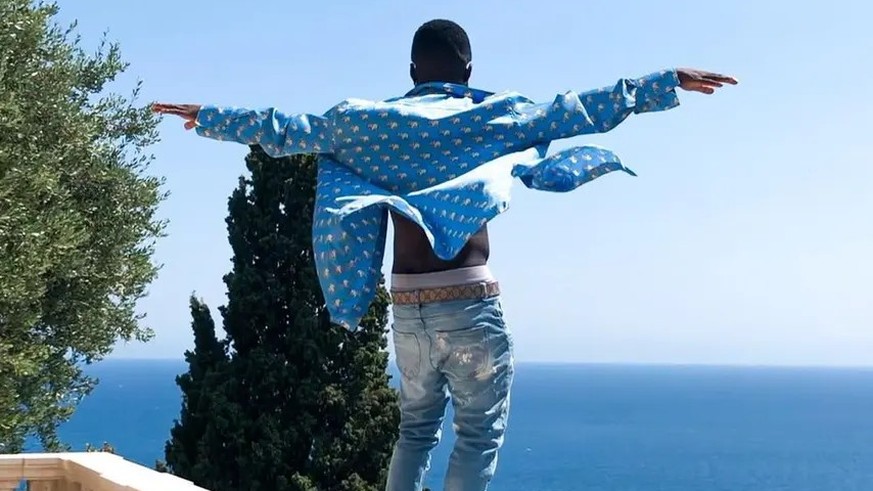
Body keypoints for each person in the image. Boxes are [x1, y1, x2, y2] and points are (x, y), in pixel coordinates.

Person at [153, 18, 736, 491]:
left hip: (407, 307)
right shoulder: (492, 114)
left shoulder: (365, 123)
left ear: (411, 72)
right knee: (478, 436)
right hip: (469, 300)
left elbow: (283, 128)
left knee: (414, 433)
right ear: (469, 71)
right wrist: (664, 82)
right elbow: (576, 109)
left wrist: (207, 117)